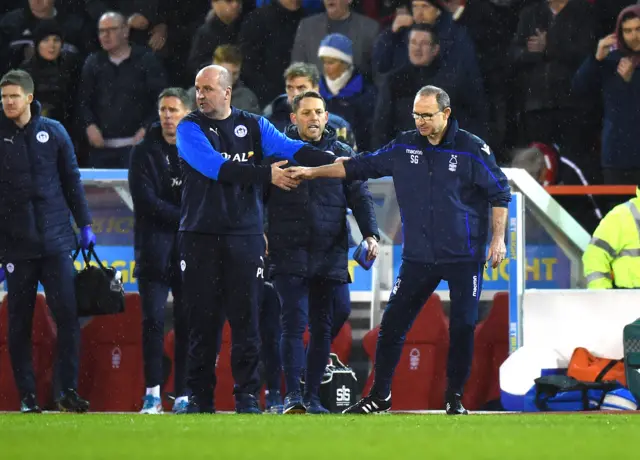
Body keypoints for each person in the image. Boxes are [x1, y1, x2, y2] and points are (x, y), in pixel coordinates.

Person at [290, 85, 511, 415]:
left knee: (463, 326)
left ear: (446, 114)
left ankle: (454, 398)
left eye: (427, 115)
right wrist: (313, 172)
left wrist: (498, 240)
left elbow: (499, 194)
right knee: (391, 325)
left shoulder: (472, 149)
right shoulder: (405, 146)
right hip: (419, 257)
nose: (420, 121)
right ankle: (381, 396)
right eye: (416, 115)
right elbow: (357, 166)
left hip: (463, 257)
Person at [176, 65, 338, 414]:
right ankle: (200, 397)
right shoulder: (188, 127)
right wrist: (268, 175)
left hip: (245, 235)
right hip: (200, 235)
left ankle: (247, 396)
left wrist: (336, 160)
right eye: (197, 88)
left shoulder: (253, 124)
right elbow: (215, 167)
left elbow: (292, 147)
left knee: (246, 320)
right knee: (202, 322)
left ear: (227, 92)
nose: (200, 95)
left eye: (207, 88)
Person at [267, 91, 379, 414]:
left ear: (327, 117)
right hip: (289, 251)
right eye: (306, 113)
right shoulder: (277, 151)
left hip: (329, 252)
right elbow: (258, 194)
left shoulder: (342, 154)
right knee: (292, 324)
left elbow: (360, 195)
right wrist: (261, 232)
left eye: (319, 112)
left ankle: (313, 395)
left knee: (323, 327)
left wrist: (370, 234)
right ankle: (293, 396)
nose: (313, 118)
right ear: (293, 119)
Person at [0, 69, 95, 413]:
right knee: (19, 324)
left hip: (56, 242)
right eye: (4, 97)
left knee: (68, 318)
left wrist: (84, 224)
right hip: (16, 247)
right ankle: (27, 396)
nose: (8, 102)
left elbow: (71, 180)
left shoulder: (54, 132)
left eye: (14, 96)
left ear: (29, 97)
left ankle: (66, 390)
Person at [128, 88, 193, 415]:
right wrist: (185, 216)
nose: (168, 115)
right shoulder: (143, 152)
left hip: (188, 252)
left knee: (185, 323)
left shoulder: (197, 148)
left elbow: (203, 196)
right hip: (153, 252)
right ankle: (152, 392)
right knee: (152, 322)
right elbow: (145, 202)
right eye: (163, 109)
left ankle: (182, 394)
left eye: (174, 110)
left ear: (186, 114)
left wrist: (185, 216)